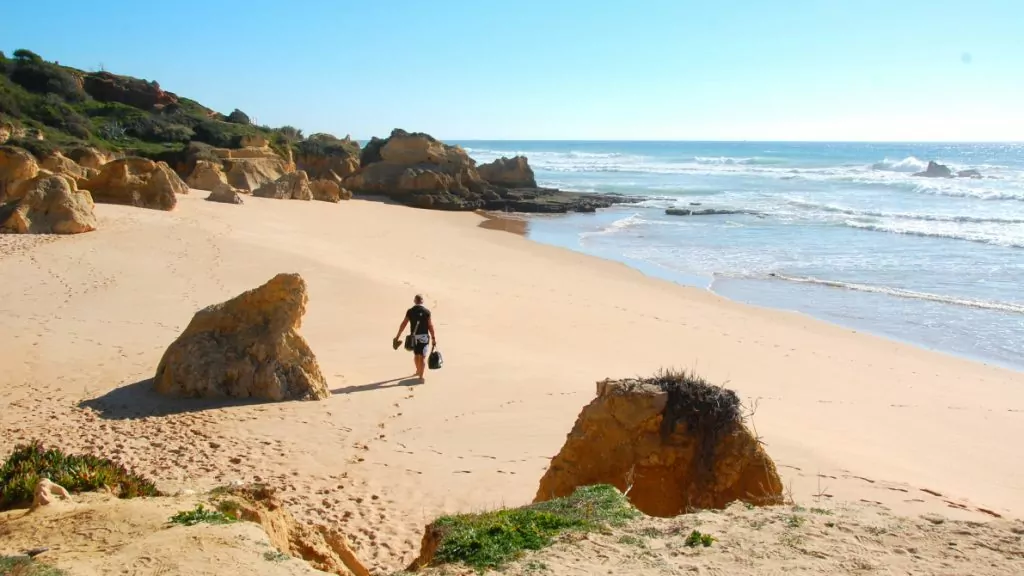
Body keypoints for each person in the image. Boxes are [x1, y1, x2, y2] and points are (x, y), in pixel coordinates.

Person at [394, 294, 436, 381]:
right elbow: (430, 326)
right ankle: (421, 376)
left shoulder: (410, 311)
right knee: (423, 357)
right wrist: (433, 338)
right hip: (424, 337)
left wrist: (398, 336)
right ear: (422, 301)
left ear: (415, 301)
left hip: (414, 337)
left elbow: (404, 324)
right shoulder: (427, 312)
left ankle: (417, 371)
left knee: (417, 355)